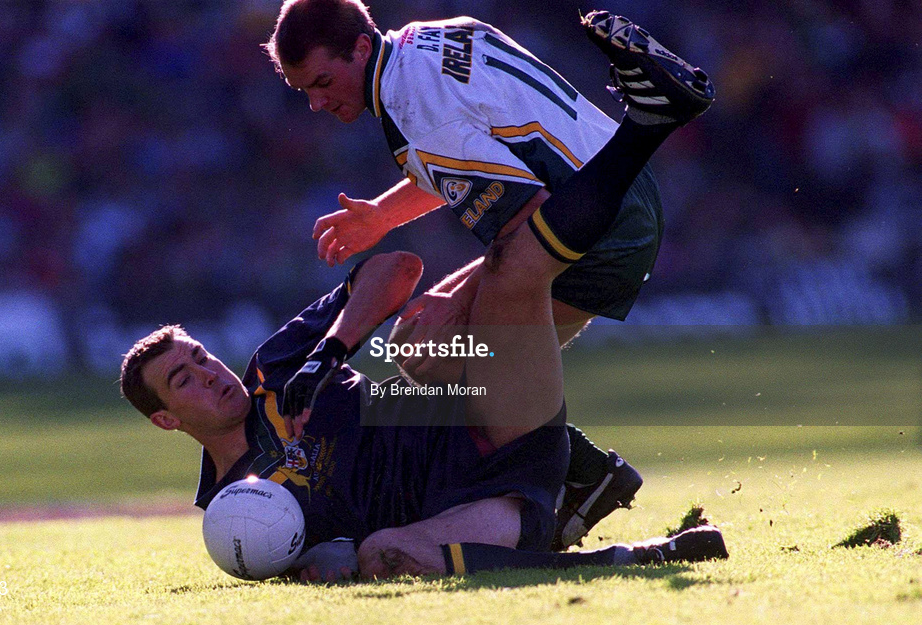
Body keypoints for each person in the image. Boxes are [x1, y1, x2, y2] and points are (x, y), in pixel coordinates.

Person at [264, 1, 715, 549]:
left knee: (465, 367)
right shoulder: (421, 43)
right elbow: (474, 147)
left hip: (600, 229)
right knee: (415, 347)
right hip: (616, 187)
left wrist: (461, 301)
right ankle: (582, 472)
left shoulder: (415, 107)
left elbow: (526, 221)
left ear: (360, 48)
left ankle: (564, 489)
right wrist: (384, 215)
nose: (315, 102)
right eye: (301, 90)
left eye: (322, 81)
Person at [119, 251, 728, 581]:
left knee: (418, 341)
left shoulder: (274, 370)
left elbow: (398, 270)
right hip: (482, 509)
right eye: (183, 380)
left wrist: (328, 354)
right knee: (383, 554)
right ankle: (632, 552)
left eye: (200, 356)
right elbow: (320, 566)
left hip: (490, 424)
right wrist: (318, 565)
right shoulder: (231, 516)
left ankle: (601, 233)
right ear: (167, 420)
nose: (207, 374)